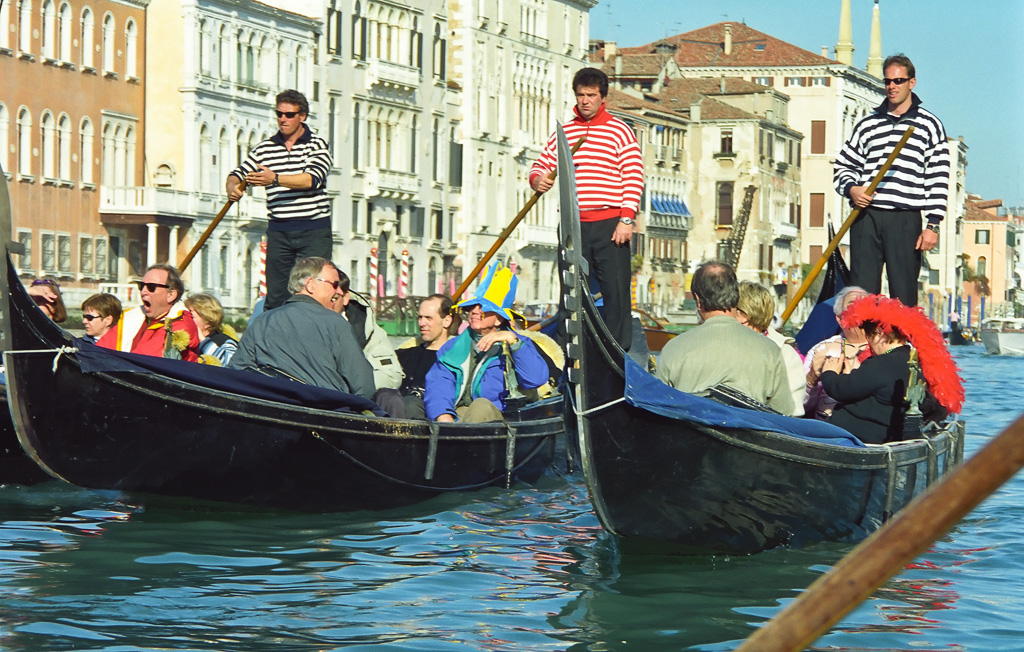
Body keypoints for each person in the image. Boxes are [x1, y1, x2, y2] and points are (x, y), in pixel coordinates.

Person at [529, 67, 644, 350]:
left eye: (591, 95)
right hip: (573, 226)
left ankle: (619, 349)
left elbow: (633, 174)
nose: (585, 101)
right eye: (581, 95)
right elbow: (540, 166)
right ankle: (571, 348)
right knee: (571, 290)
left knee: (615, 292)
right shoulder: (564, 132)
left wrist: (626, 219)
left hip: (610, 224)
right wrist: (538, 180)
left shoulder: (619, 131)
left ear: (602, 97)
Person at [833, 54, 950, 307]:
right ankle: (862, 345)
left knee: (904, 294)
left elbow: (938, 177)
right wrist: (852, 189)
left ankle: (903, 345)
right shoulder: (867, 124)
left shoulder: (929, 125)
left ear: (912, 82)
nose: (892, 86)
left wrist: (933, 225)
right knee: (859, 296)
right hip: (866, 217)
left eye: (898, 80)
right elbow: (843, 166)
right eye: (888, 81)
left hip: (905, 219)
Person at [226, 89, 333, 311]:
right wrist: (232, 187)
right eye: (279, 114)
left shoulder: (317, 145)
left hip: (313, 230)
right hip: (279, 230)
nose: (283, 119)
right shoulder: (265, 149)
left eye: (289, 114)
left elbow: (312, 179)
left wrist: (274, 179)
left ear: (302, 116)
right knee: (276, 294)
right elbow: (238, 173)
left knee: (313, 290)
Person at [818, 295, 964, 444]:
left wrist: (829, 372)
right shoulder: (912, 360)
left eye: (869, 336)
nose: (868, 342)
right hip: (874, 435)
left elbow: (839, 389)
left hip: (850, 435)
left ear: (880, 333)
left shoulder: (882, 364)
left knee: (793, 427)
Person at [656, 262, 795, 415]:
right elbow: (783, 413)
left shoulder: (674, 348)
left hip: (690, 434)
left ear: (698, 299)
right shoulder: (769, 350)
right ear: (736, 295)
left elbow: (659, 407)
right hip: (747, 436)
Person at [228, 257, 375, 400]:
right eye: (334, 284)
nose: (338, 291)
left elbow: (238, 370)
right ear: (310, 284)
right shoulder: (335, 322)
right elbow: (363, 385)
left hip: (271, 407)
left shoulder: (263, 321)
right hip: (323, 411)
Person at [425, 262, 549, 423]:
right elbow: (439, 383)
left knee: (481, 406)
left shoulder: (520, 344)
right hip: (458, 413)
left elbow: (536, 379)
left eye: (483, 307)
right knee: (412, 405)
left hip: (499, 415)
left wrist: (513, 342)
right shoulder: (452, 346)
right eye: (472, 307)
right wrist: (443, 415)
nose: (475, 311)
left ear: (498, 319)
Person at [97, 264, 200, 361]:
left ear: (171, 295)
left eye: (151, 287)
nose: (143, 292)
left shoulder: (181, 323)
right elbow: (100, 349)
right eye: (141, 286)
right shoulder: (131, 317)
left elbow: (144, 358)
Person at [736, 281, 805, 417]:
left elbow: (794, 410)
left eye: (730, 310)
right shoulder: (725, 345)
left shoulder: (785, 354)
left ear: (743, 316)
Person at [803, 286, 871, 420]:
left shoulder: (886, 347)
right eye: (852, 305)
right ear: (839, 319)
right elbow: (799, 406)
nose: (859, 309)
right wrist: (812, 378)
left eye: (865, 304)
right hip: (827, 432)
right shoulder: (821, 349)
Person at [396, 294, 454, 419]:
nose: (422, 323)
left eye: (428, 318)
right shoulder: (403, 355)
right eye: (420, 317)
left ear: (447, 321)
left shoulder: (455, 359)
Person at [184, 293, 238, 366]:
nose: (186, 320)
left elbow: (230, 364)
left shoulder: (225, 342)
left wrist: (203, 341)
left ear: (208, 320)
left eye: (191, 316)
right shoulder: (183, 342)